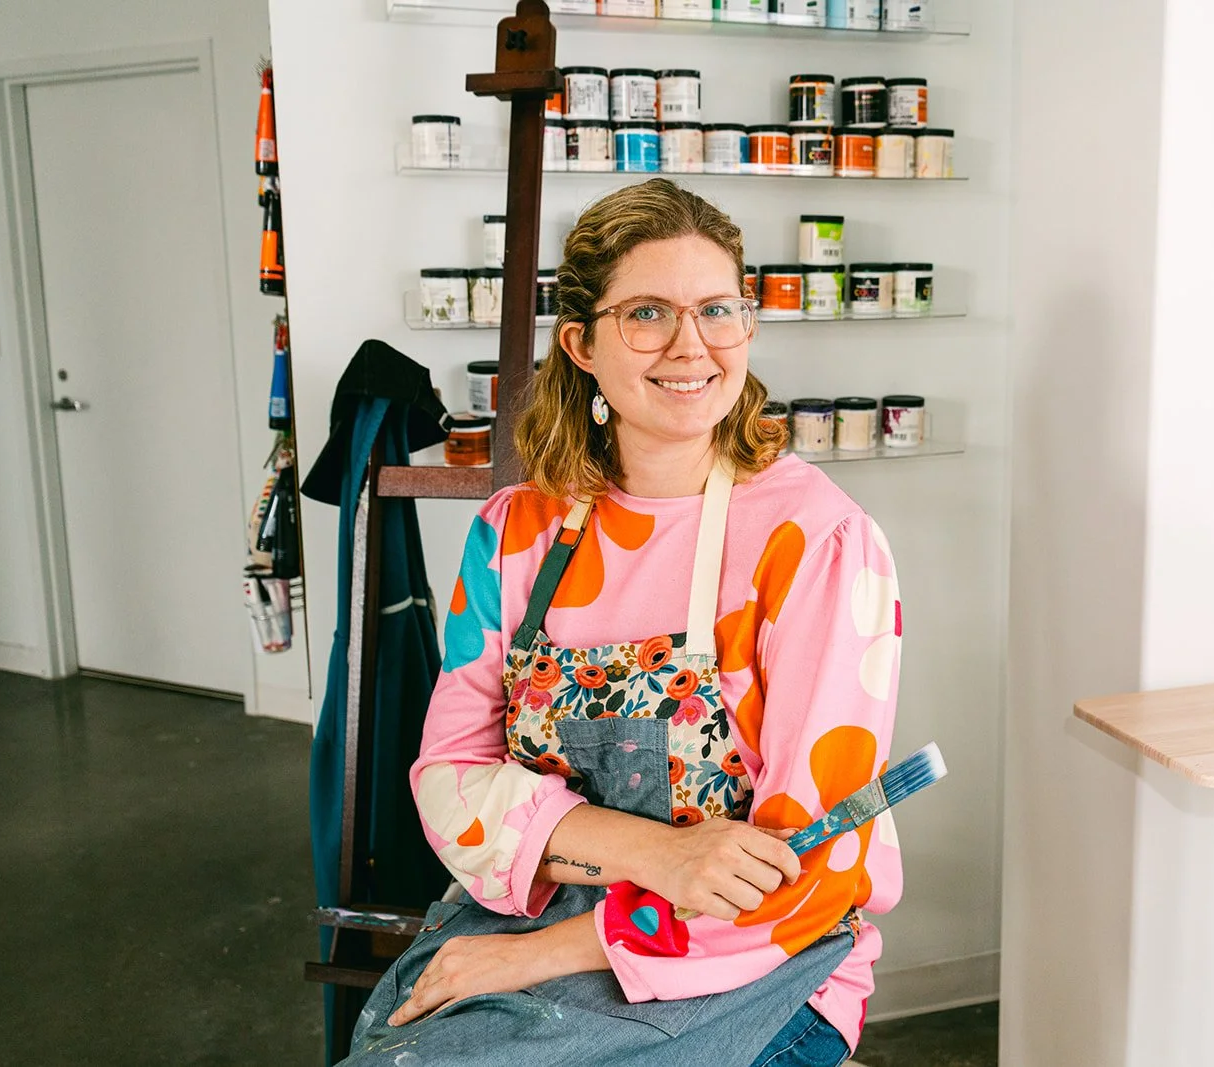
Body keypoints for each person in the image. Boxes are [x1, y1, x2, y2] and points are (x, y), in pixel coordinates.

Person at [343, 178, 904, 1067]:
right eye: (647, 312)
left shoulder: (819, 541)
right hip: (521, 910)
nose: (692, 345)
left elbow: (812, 864)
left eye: (718, 309)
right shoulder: (515, 532)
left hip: (751, 963)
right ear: (582, 344)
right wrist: (657, 854)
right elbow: (450, 781)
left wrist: (536, 954)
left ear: (747, 329)